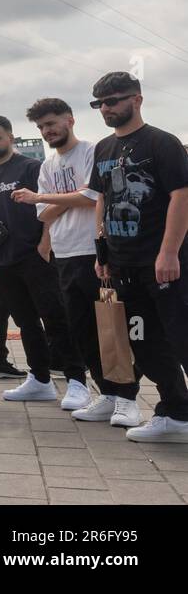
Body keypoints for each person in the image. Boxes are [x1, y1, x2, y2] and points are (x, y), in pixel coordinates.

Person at [11, 97, 141, 427]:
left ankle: (127, 398)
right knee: (82, 331)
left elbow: (93, 196)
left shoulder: (93, 151)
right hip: (65, 254)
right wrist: (68, 199)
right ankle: (106, 393)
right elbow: (47, 214)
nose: (47, 131)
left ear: (70, 120)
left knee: (111, 327)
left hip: (96, 254)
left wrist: (44, 197)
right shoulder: (47, 166)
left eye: (51, 123)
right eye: (41, 127)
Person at [87, 72, 188, 443]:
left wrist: (169, 252)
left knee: (181, 337)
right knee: (144, 342)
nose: (106, 109)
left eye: (113, 100)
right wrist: (103, 252)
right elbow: (101, 199)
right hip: (123, 262)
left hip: (161, 262)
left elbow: (182, 195)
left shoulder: (162, 143)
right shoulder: (103, 149)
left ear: (137, 99)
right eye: (99, 103)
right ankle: (176, 411)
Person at [0, 116, 88, 409]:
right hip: (4, 261)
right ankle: (40, 380)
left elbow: (52, 203)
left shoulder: (30, 167)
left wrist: (44, 243)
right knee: (25, 322)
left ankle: (77, 381)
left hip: (34, 257)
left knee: (55, 318)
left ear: (10, 137)